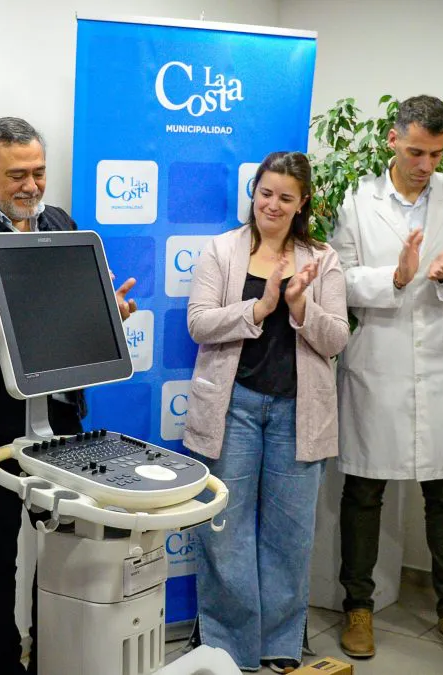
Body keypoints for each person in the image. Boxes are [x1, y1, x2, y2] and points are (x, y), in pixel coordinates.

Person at [0, 116, 137, 675]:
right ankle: (4, 665)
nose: (32, 186)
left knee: (65, 545)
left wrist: (105, 316)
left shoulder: (62, 223)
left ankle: (54, 655)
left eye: (39, 172)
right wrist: (52, 318)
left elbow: (76, 314)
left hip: (62, 414)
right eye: (17, 174)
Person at [328, 94, 443, 664]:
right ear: (393, 140)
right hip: (379, 363)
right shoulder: (355, 199)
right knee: (364, 491)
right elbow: (341, 279)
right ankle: (358, 606)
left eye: (437, 154)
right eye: (417, 151)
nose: (427, 165)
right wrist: (394, 277)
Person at [183, 151, 349, 673]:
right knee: (225, 532)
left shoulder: (323, 258)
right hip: (232, 410)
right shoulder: (222, 250)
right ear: (252, 193)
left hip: (297, 414)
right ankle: (232, 649)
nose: (272, 205)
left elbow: (336, 338)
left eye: (285, 197)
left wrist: (300, 306)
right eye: (265, 193)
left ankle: (279, 644)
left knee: (289, 537)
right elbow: (199, 324)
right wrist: (261, 306)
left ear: (302, 204)